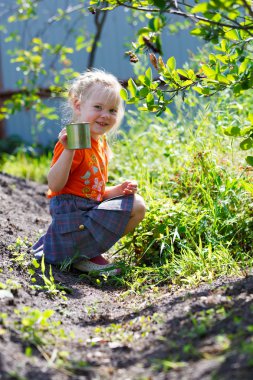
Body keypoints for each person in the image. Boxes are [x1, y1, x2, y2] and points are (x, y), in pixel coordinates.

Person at [32, 69, 146, 275]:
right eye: (98, 107)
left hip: (86, 213)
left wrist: (117, 190)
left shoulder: (99, 143)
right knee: (137, 205)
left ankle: (85, 253)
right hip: (72, 220)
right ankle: (83, 255)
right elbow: (55, 186)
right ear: (78, 105)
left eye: (112, 110)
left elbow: (91, 191)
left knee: (137, 204)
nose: (105, 115)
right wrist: (68, 150)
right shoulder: (74, 141)